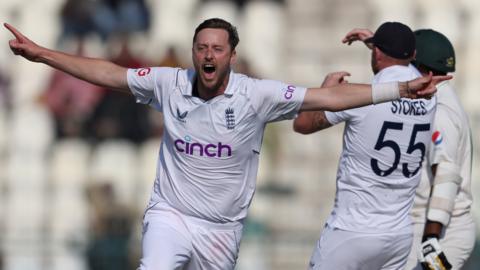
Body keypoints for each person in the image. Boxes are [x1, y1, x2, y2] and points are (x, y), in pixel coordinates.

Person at [5, 18, 448, 270]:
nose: (208, 56)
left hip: (222, 230)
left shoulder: (257, 95)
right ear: (193, 52)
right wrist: (44, 53)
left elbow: (325, 97)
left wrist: (397, 90)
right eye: (201, 48)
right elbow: (106, 72)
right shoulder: (168, 82)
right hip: (172, 214)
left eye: (217, 48)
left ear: (231, 55)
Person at [294, 22, 438, 270]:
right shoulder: (428, 96)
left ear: (378, 53)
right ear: (413, 55)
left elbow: (303, 124)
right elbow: (403, 67)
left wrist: (327, 89)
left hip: (352, 233)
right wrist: (376, 43)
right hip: (398, 237)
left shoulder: (360, 97)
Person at [405, 29, 475, 270]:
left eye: (407, 66)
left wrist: (430, 240)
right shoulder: (437, 99)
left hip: (441, 231)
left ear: (426, 72)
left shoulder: (441, 112)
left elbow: (445, 174)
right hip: (429, 226)